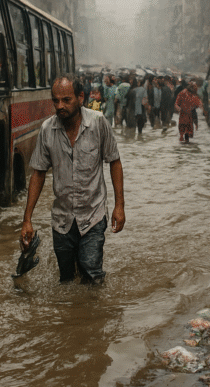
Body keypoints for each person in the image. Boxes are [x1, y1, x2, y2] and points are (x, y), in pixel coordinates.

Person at [20, 75, 125, 284]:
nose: (60, 106)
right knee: (66, 280)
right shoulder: (47, 130)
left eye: (66, 100)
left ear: (80, 97)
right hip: (62, 220)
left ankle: (92, 315)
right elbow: (38, 173)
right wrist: (27, 219)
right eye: (55, 101)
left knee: (92, 273)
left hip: (93, 214)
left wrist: (119, 206)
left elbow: (114, 162)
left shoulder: (98, 123)